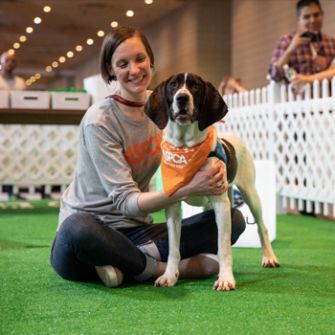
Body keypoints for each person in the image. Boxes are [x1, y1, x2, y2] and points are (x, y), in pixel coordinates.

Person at [50, 26, 246, 288]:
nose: (134, 69)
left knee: (233, 219)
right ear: (110, 70)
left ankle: (124, 265)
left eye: (140, 59)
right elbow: (126, 202)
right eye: (122, 63)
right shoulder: (99, 121)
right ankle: (161, 268)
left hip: (138, 232)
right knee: (78, 229)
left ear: (151, 61)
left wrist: (218, 161)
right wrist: (188, 189)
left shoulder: (164, 105)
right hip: (92, 231)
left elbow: (205, 136)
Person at [268, 0, 335, 84]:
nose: (312, 20)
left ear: (322, 15)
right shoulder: (286, 41)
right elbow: (274, 75)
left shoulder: (331, 43)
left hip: (327, 95)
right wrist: (290, 49)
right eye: (307, 17)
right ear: (299, 19)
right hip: (297, 96)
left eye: (316, 15)